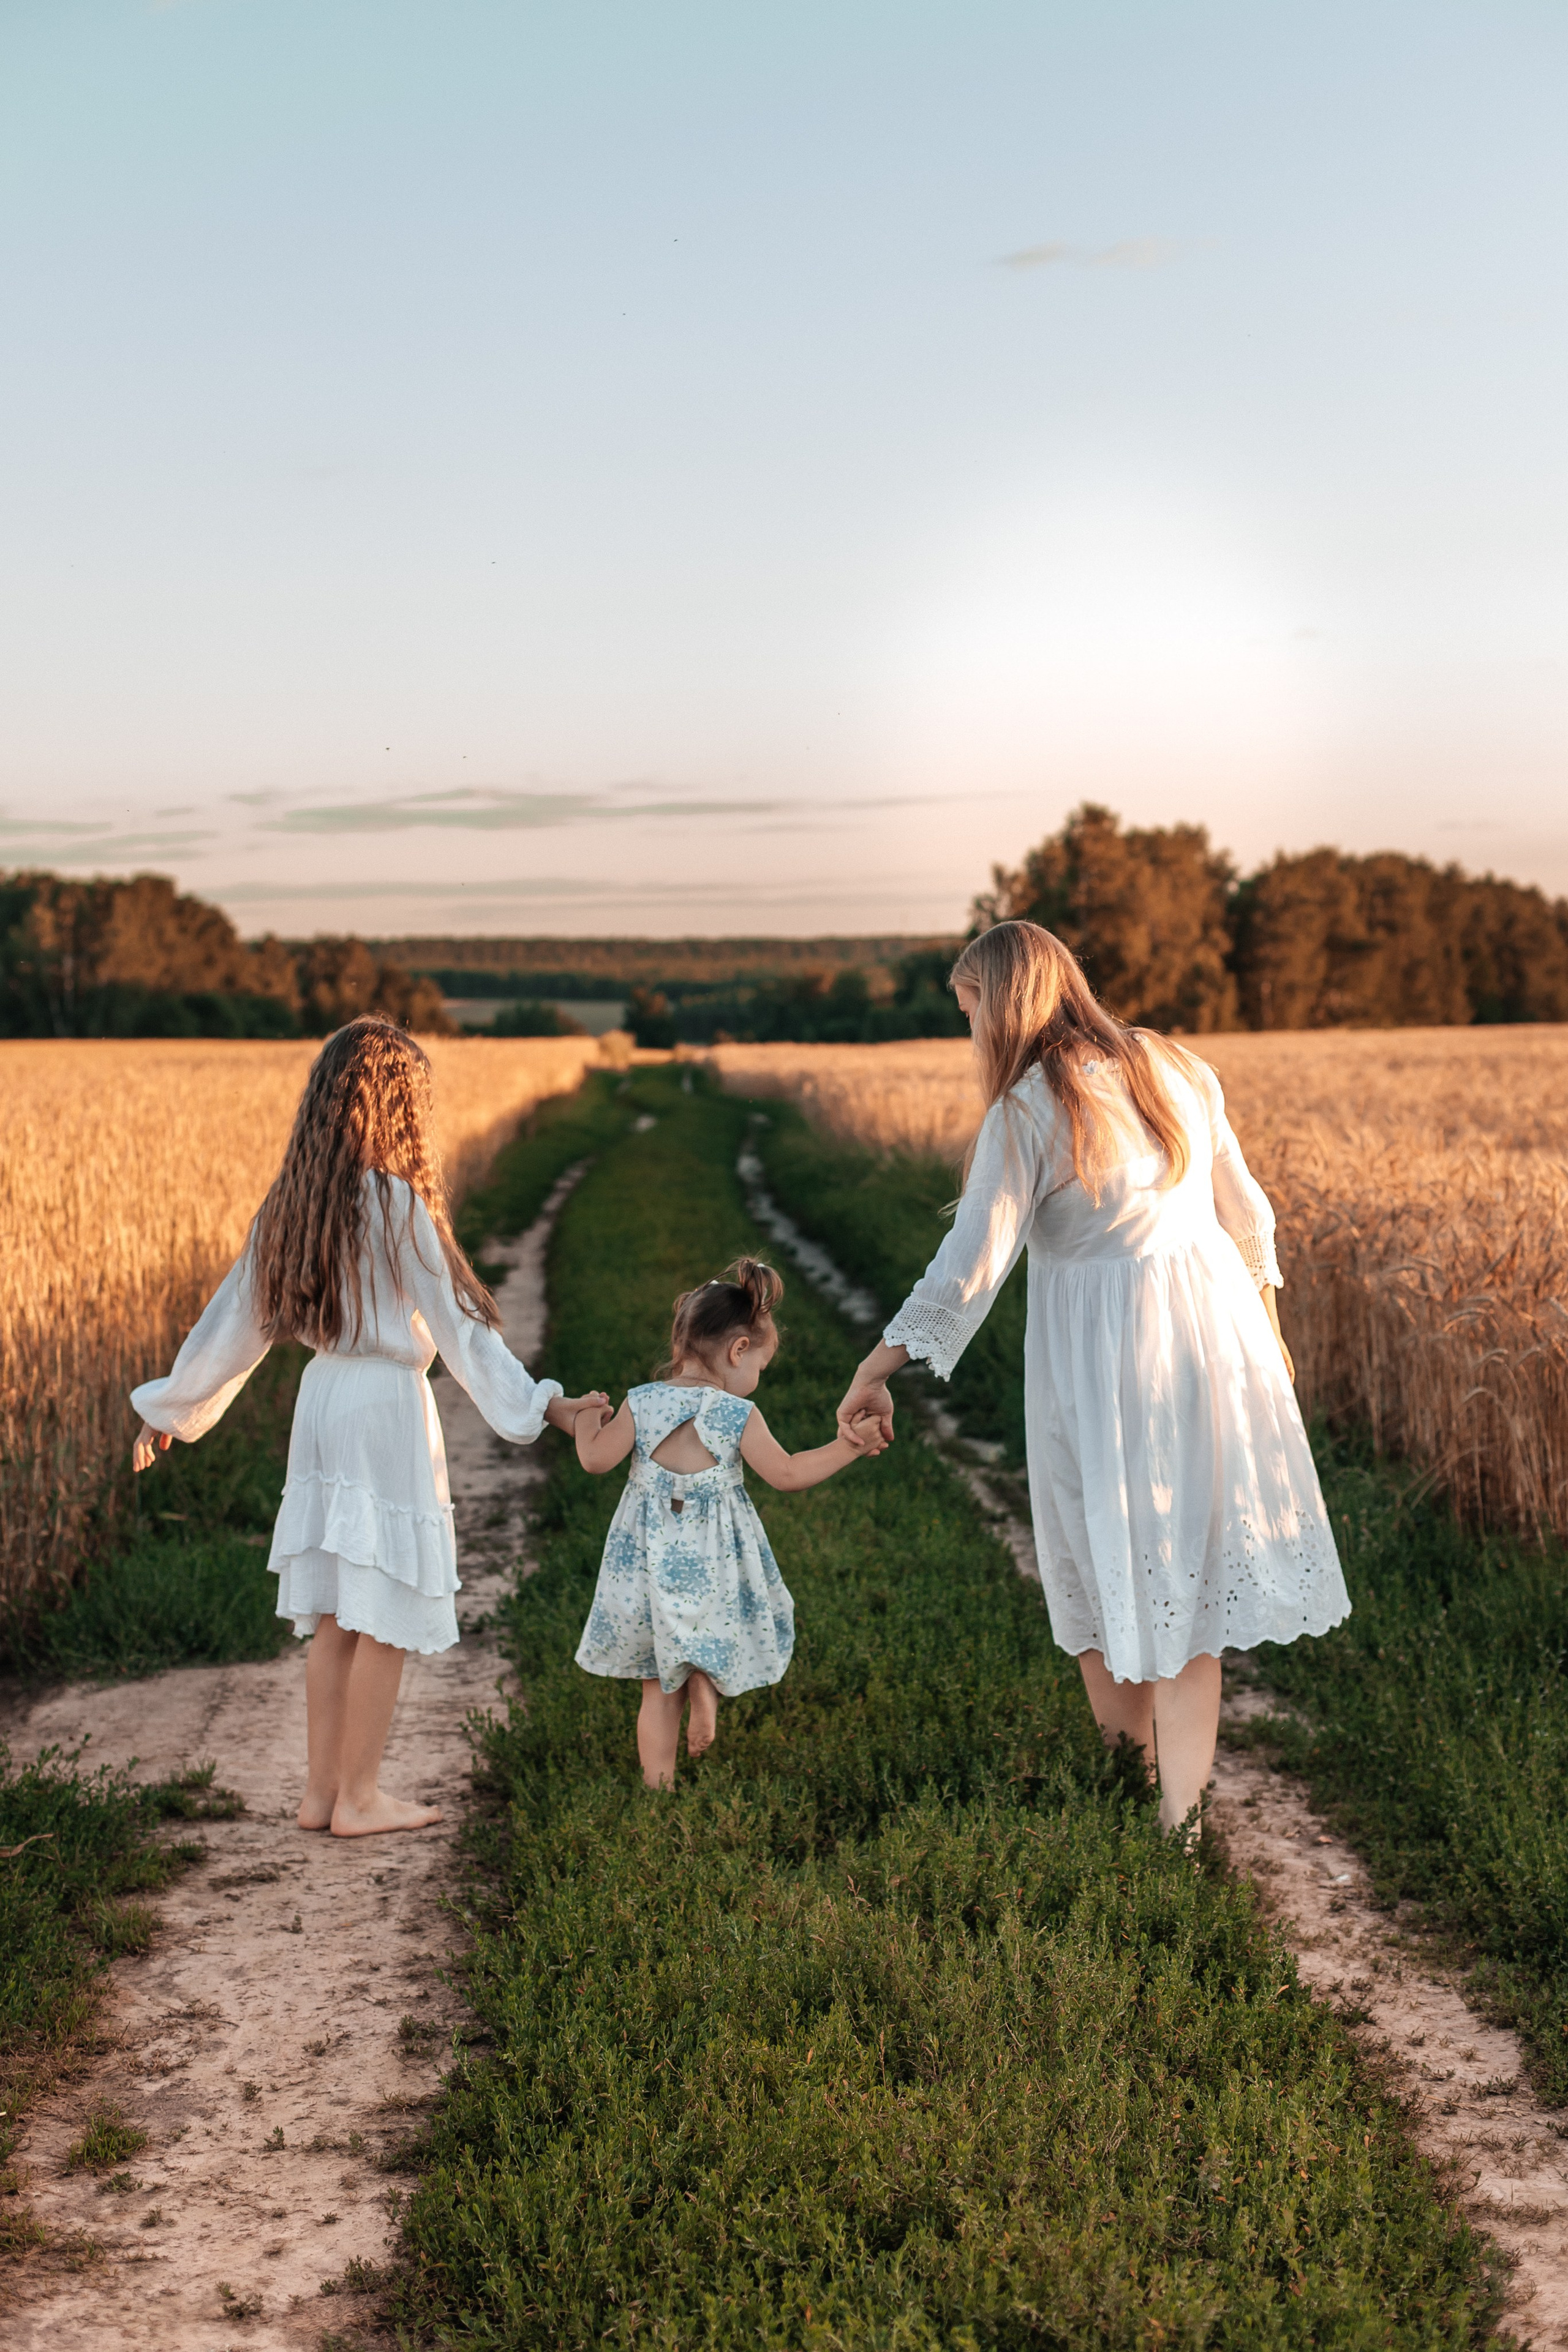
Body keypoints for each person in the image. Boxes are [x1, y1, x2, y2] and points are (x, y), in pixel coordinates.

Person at [834, 921, 1349, 1842]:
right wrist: (1267, 1339)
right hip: (1214, 1345)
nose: (969, 1033)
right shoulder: (1176, 1066)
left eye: (969, 1011)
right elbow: (1248, 1211)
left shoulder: (1028, 1108)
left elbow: (969, 1266)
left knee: (1099, 1557)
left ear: (1002, 1003)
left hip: (1106, 1364)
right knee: (1189, 1588)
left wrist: (878, 1363)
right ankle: (1176, 1823)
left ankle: (1132, 1791)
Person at [130, 1016, 605, 1839]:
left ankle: (321, 1795)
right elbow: (464, 1332)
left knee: (335, 1617)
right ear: (398, 1109)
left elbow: (234, 1323)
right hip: (385, 1407)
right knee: (381, 1609)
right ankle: (360, 1797)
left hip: (323, 1403)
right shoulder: (396, 1204)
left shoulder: (291, 1206)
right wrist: (545, 1406)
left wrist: (172, 1407)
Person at [571, 1257, 886, 1787]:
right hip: (713, 1559)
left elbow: (595, 1461)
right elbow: (787, 1473)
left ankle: (657, 1795)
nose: (757, 1378)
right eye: (759, 1365)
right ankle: (704, 1684)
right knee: (707, 1629)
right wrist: (847, 1449)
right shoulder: (738, 1415)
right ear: (739, 1350)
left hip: (648, 1561)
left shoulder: (642, 1402)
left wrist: (583, 1417)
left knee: (656, 1687)